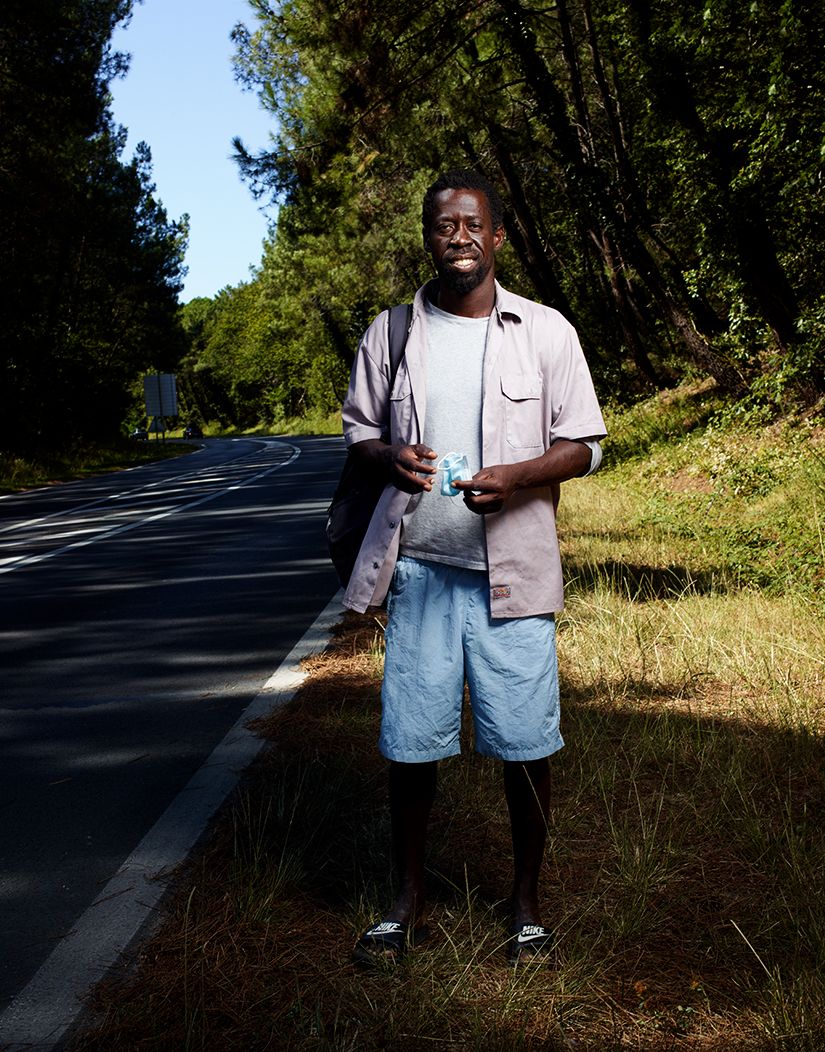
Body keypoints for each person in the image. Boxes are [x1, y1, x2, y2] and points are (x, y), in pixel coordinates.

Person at [340, 170, 606, 967]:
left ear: (496, 237)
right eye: (442, 224)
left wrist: (518, 475)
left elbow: (586, 444)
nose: (457, 234)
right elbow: (357, 433)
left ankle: (526, 905)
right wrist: (388, 455)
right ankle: (405, 903)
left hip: (515, 576)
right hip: (419, 571)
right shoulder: (391, 335)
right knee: (411, 744)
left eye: (471, 223)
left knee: (526, 744)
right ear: (428, 237)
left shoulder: (546, 331)